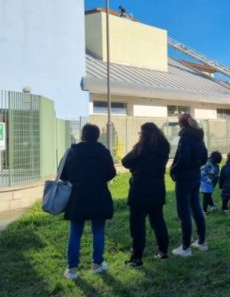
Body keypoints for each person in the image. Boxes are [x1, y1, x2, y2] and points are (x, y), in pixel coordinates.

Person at [61, 124, 116, 279]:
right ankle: (97, 264)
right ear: (97, 136)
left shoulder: (72, 152)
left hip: (77, 197)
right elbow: (111, 173)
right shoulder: (104, 152)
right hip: (99, 195)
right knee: (98, 230)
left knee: (75, 232)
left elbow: (63, 175)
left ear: (82, 135)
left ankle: (72, 269)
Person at [121, 122, 171, 267]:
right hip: (157, 188)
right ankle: (163, 252)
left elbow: (125, 161)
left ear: (143, 134)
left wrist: (136, 149)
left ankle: (136, 258)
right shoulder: (164, 146)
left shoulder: (141, 147)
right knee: (158, 222)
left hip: (140, 189)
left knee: (138, 225)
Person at [170, 114, 208, 256]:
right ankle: (201, 242)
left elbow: (183, 159)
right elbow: (204, 157)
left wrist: (173, 170)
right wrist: (196, 165)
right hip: (195, 177)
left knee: (184, 212)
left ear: (181, 124)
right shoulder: (199, 137)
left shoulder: (185, 138)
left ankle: (185, 247)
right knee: (196, 208)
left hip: (184, 179)